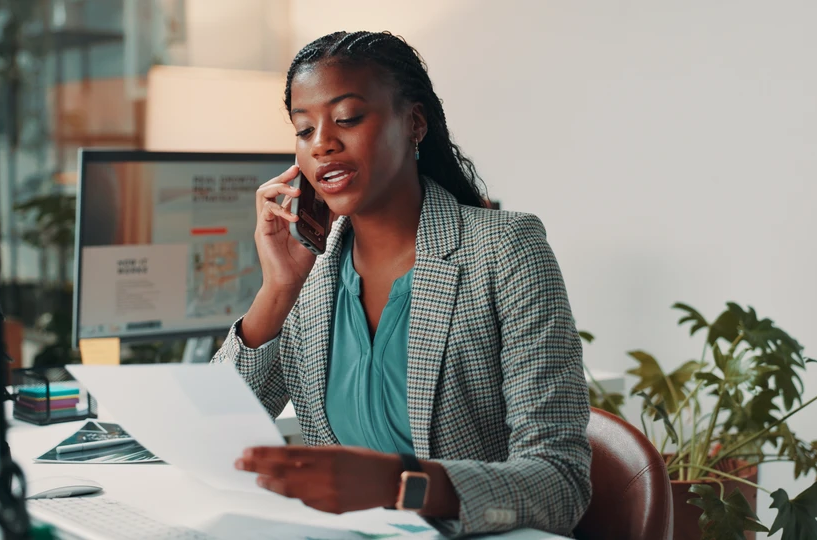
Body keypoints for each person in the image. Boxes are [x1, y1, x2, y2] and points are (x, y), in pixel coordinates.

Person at [213, 31, 591, 537]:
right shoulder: (311, 271)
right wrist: (278, 290)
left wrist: (399, 485)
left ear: (414, 123)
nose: (322, 143)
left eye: (348, 118)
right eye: (304, 129)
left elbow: (561, 482)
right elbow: (216, 434)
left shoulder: (504, 249)